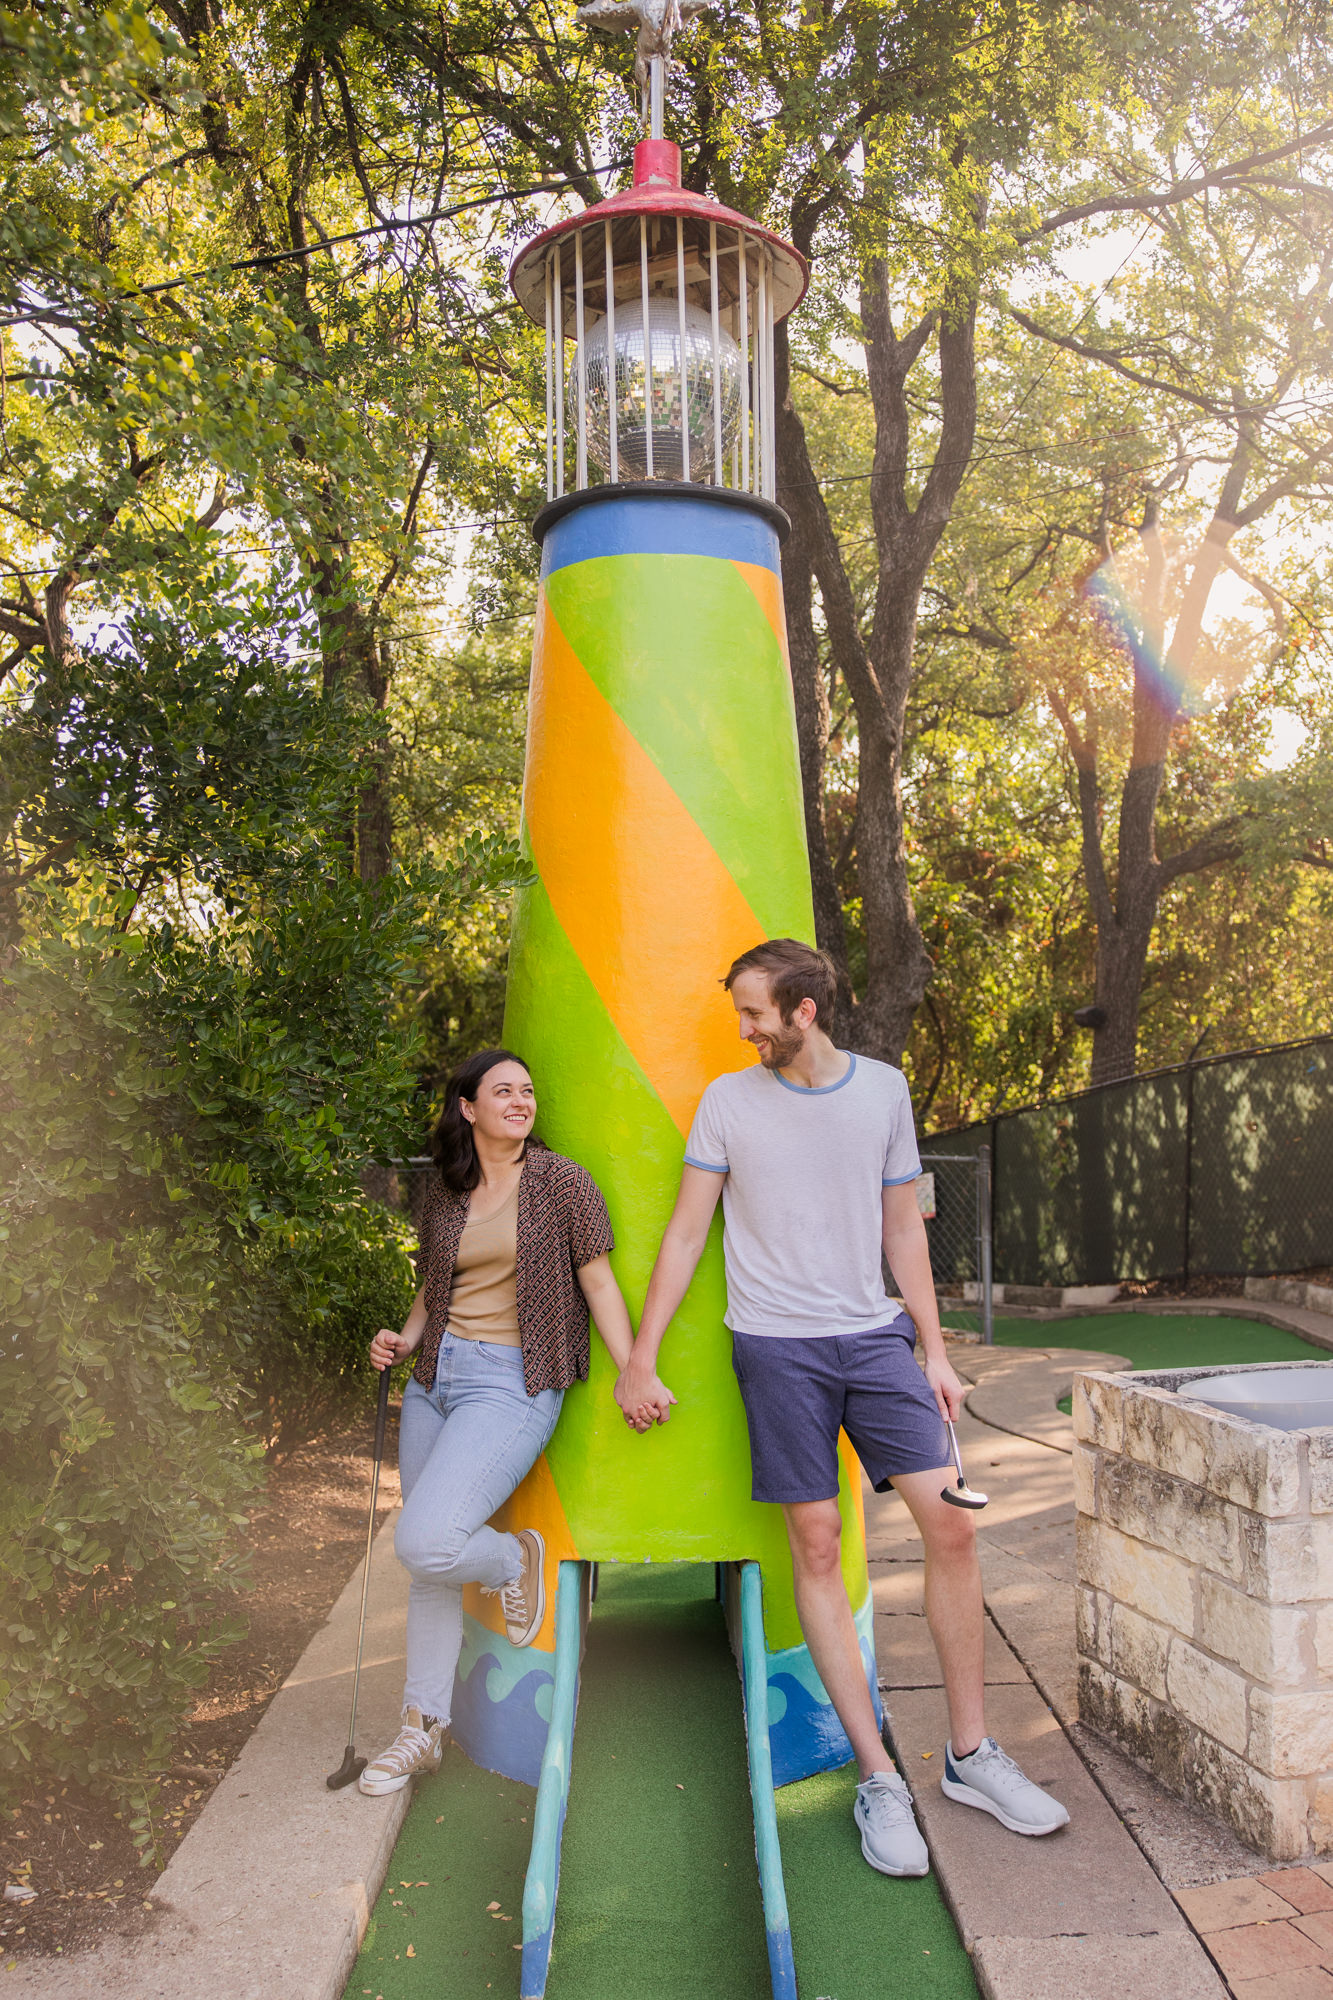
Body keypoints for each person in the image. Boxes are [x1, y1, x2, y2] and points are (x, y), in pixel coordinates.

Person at [614, 939, 1069, 1874]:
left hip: (873, 1340)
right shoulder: (728, 1103)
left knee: (952, 1526)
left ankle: (969, 1755)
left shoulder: (883, 1092)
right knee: (816, 1542)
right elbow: (688, 1231)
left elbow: (902, 1225)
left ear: (803, 1011)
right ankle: (878, 1779)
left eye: (754, 1014)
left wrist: (934, 1351)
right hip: (775, 1350)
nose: (743, 1030)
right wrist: (640, 1358)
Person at [359, 1047, 647, 1795]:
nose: (521, 1101)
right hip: (434, 1379)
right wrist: (404, 1338)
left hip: (512, 1382)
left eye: (528, 1090)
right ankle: (420, 1729)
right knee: (425, 1566)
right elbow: (435, 1286)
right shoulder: (448, 1191)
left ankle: (512, 1563)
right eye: (504, 1090)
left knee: (425, 1540)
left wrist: (633, 1368)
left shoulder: (561, 1182)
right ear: (468, 1106)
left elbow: (596, 1278)